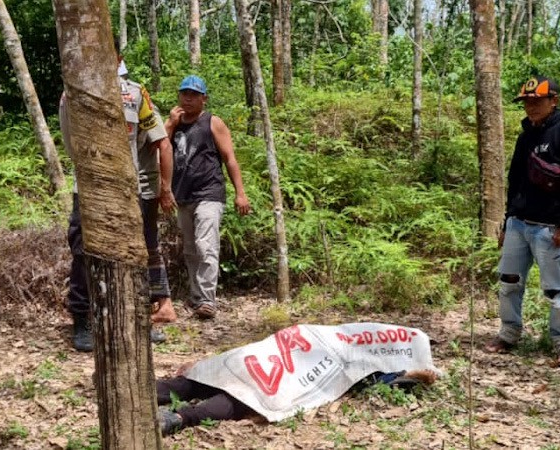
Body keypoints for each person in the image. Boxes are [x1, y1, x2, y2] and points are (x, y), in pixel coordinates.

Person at [60, 57, 177, 352]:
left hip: (130, 188)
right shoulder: (72, 94)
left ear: (117, 58)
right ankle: (83, 320)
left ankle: (139, 319)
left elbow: (155, 138)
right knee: (83, 251)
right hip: (90, 186)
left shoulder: (136, 93)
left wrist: (162, 187)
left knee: (136, 253)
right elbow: (70, 140)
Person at [484, 76, 560, 368]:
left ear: (553, 101)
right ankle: (509, 332)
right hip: (519, 223)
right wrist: (507, 220)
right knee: (508, 281)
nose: (531, 107)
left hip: (549, 228)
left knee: (555, 288)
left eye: (537, 101)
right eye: (527, 102)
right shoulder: (525, 135)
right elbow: (515, 179)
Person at [164, 75, 251, 320]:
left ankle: (207, 299)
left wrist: (240, 194)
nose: (188, 99)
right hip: (183, 194)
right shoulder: (174, 123)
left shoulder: (213, 122)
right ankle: (195, 296)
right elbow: (158, 148)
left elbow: (230, 159)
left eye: (193, 95)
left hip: (210, 193)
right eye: (184, 94)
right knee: (191, 249)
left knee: (205, 244)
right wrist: (170, 124)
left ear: (204, 98)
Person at [156, 362, 437, 436]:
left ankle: (179, 418)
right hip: (267, 365)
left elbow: (379, 380)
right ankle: (150, 392)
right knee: (197, 381)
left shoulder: (364, 371)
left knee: (241, 399)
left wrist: (413, 374)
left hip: (284, 383)